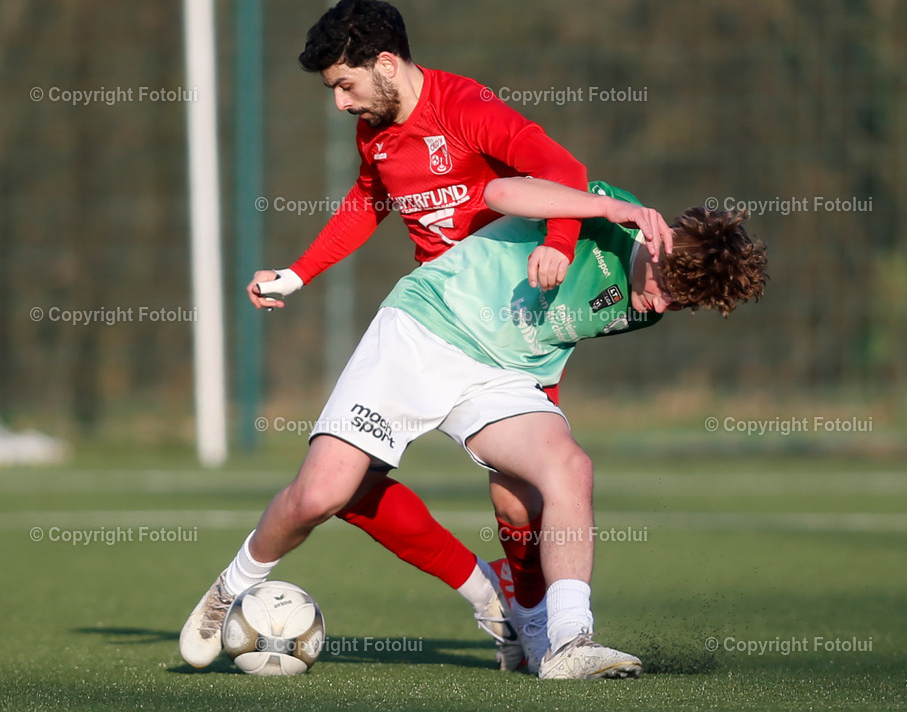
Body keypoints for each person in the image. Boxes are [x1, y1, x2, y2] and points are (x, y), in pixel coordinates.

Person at [180, 177, 769, 678]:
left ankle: (568, 643)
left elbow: (551, 341)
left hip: (502, 375)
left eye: (681, 305)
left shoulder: (651, 303)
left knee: (568, 468)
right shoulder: (608, 211)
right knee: (322, 494)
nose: (661, 307)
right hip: (426, 330)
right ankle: (229, 588)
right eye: (667, 288)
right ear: (658, 243)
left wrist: (533, 451)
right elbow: (500, 190)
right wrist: (603, 209)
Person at [236, 0, 591, 670]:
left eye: (345, 83)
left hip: (515, 324)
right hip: (434, 324)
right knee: (342, 479)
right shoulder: (375, 125)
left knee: (519, 488)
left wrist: (562, 241)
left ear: (387, 64)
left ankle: (537, 620)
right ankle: (520, 612)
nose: (340, 102)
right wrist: (300, 272)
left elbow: (563, 171)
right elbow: (371, 196)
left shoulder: (467, 110)